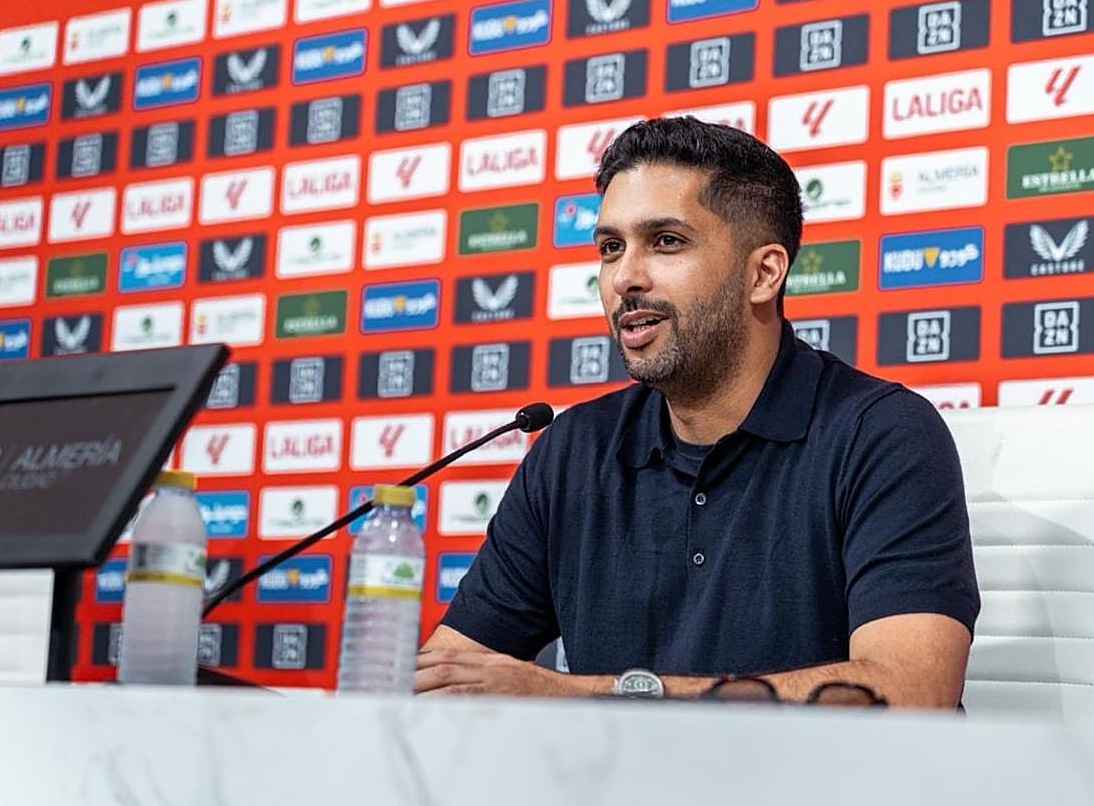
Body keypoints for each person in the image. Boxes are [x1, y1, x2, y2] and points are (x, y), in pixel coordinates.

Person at [416, 117, 980, 707]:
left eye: (666, 241)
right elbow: (447, 679)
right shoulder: (574, 450)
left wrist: (588, 692)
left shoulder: (882, 434)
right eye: (611, 248)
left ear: (763, 274)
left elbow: (912, 691)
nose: (625, 278)